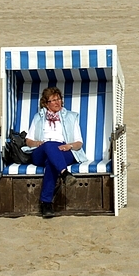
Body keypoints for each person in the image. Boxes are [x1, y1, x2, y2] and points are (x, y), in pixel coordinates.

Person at [24, 86, 88, 218]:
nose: (57, 102)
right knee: (49, 145)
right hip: (41, 150)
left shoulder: (71, 117)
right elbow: (28, 140)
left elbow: (79, 143)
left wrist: (69, 146)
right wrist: (37, 143)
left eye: (58, 99)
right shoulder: (38, 117)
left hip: (64, 150)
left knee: (51, 162)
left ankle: (46, 204)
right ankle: (64, 173)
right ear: (46, 103)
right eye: (53, 100)